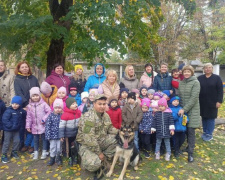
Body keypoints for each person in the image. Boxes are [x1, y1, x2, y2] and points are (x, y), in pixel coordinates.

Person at [76, 94, 118, 179]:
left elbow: (110, 128)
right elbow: (89, 139)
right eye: (99, 104)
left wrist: (121, 133)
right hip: (86, 145)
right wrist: (99, 153)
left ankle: (103, 161)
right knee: (94, 164)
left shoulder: (105, 115)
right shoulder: (89, 117)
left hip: (100, 141)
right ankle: (87, 159)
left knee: (117, 140)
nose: (102, 106)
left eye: (104, 104)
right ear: (94, 104)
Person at [14, 62, 39, 153]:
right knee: (25, 126)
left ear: (29, 68)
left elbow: (38, 90)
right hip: (24, 106)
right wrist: (26, 104)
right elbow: (18, 93)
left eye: (26, 67)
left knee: (34, 125)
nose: (25, 68)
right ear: (19, 69)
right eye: (22, 67)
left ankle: (32, 145)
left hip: (35, 105)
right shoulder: (17, 79)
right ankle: (24, 144)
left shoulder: (34, 78)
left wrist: (34, 102)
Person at [178, 65, 200, 162]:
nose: (186, 73)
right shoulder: (181, 83)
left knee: (191, 131)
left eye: (188, 71)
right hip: (183, 111)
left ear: (192, 72)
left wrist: (184, 109)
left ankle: (190, 153)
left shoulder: (196, 82)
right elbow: (180, 97)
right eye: (185, 71)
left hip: (192, 110)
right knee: (185, 130)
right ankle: (187, 147)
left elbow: (194, 98)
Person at [198, 63, 223, 141]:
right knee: (204, 117)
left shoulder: (217, 78)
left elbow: (220, 91)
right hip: (202, 101)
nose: (207, 69)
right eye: (206, 68)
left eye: (209, 68)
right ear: (204, 69)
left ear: (212, 69)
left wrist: (219, 101)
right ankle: (205, 132)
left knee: (211, 118)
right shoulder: (200, 78)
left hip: (213, 102)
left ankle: (209, 134)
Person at [26, 87, 51, 160]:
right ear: (31, 97)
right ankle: (36, 151)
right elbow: (29, 117)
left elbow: (49, 111)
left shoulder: (43, 104)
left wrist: (44, 119)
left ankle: (44, 151)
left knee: (44, 138)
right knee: (35, 139)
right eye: (33, 96)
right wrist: (28, 126)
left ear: (39, 95)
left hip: (42, 125)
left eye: (36, 95)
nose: (35, 97)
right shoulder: (29, 106)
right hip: (34, 126)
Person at [1, 96, 26, 163]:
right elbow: (5, 120)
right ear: (11, 103)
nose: (14, 105)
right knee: (7, 142)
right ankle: (4, 155)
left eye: (17, 104)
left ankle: (14, 152)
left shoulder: (20, 111)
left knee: (17, 141)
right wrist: (11, 126)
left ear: (19, 104)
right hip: (8, 130)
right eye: (13, 103)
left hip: (16, 130)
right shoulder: (8, 111)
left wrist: (27, 110)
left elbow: (24, 114)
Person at [59, 97, 81, 166]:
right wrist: (61, 135)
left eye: (76, 103)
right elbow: (61, 126)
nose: (75, 105)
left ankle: (76, 157)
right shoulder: (65, 115)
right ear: (68, 106)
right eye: (73, 104)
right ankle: (70, 158)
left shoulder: (78, 112)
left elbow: (82, 121)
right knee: (68, 147)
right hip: (68, 135)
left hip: (77, 133)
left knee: (76, 146)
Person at [45, 99, 63, 166]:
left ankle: (58, 158)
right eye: (56, 108)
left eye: (59, 108)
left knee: (59, 148)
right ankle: (52, 158)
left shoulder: (62, 116)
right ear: (53, 108)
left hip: (60, 135)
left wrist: (63, 135)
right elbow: (47, 126)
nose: (57, 109)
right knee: (52, 147)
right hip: (52, 135)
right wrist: (48, 135)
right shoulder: (50, 116)